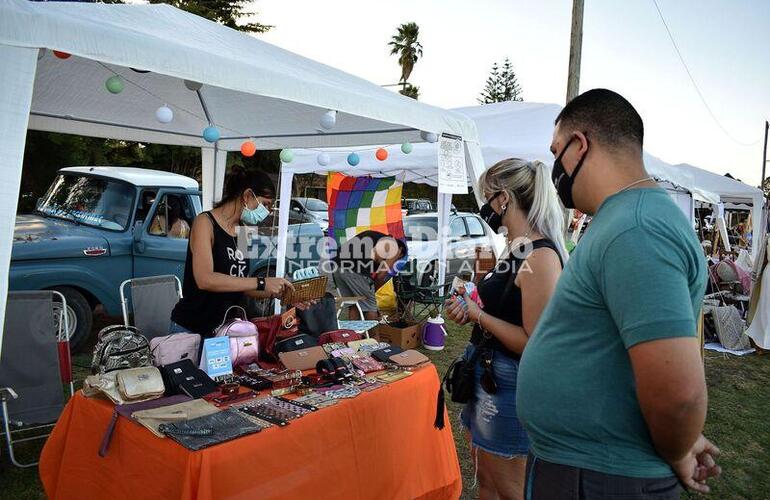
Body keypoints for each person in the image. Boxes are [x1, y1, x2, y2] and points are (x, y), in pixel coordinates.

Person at [517, 89, 720, 499]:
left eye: (557, 151)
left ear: (579, 145)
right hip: (586, 470)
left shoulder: (636, 228)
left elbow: (679, 395)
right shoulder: (622, 219)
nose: (554, 166)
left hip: (600, 479)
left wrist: (676, 447)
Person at [444, 158, 567, 500]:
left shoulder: (539, 257)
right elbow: (501, 309)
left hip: (509, 386)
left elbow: (532, 343)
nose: (485, 207)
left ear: (504, 199)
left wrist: (477, 316)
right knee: (486, 480)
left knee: (511, 489)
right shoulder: (517, 247)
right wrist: (468, 306)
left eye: (487, 197)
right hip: (486, 375)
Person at [170, 166, 293, 336]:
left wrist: (280, 291)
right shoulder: (204, 223)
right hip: (192, 329)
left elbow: (241, 284)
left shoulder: (243, 231)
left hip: (225, 331)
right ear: (248, 195)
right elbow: (205, 279)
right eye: (265, 204)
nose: (267, 212)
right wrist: (263, 282)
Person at [329, 230, 408, 320]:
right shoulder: (394, 248)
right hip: (354, 268)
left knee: (355, 303)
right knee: (370, 306)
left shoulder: (377, 239)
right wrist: (371, 295)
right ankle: (374, 334)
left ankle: (355, 333)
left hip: (336, 266)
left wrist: (370, 291)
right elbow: (380, 276)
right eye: (398, 259)